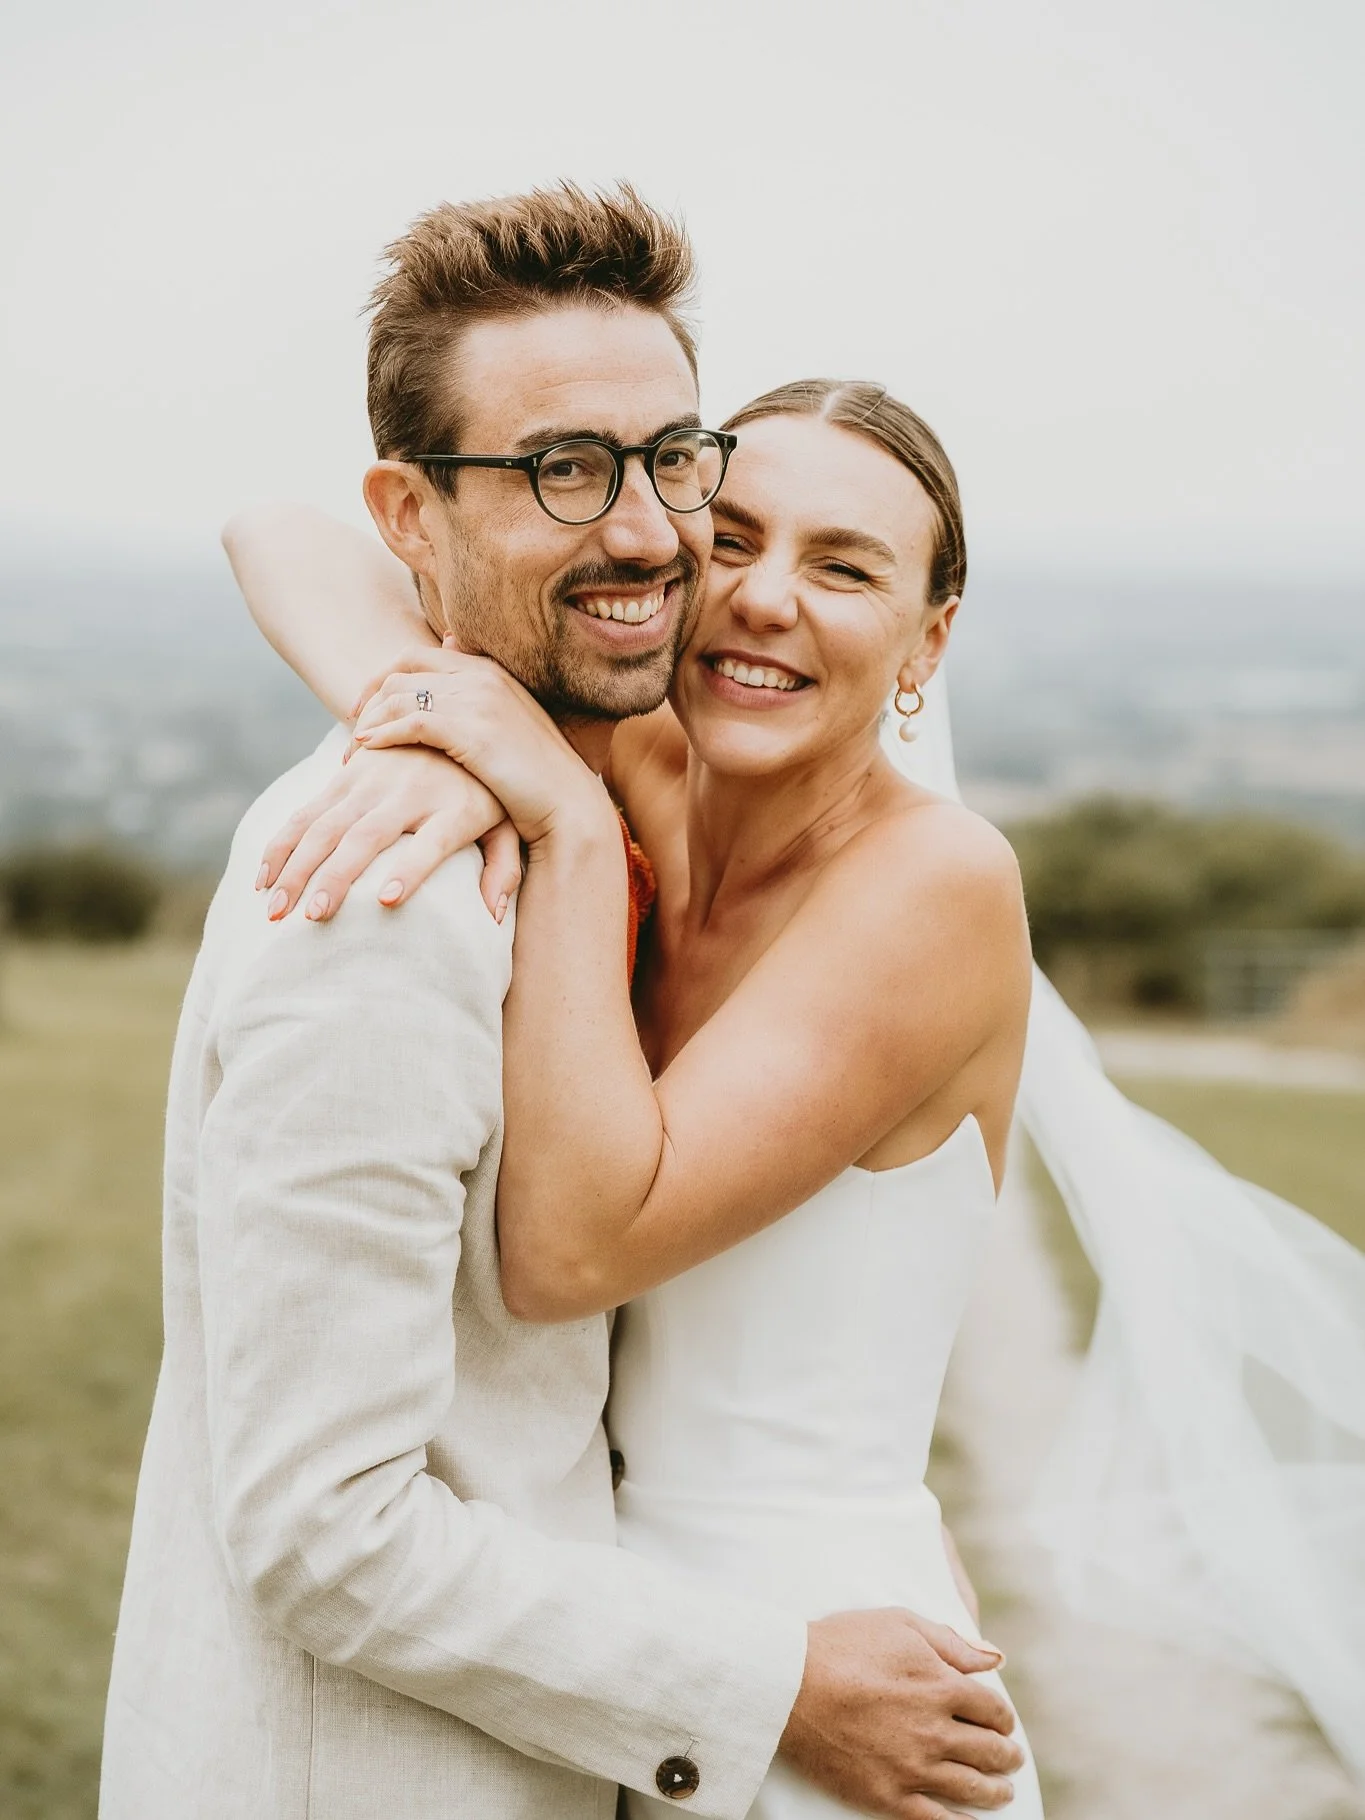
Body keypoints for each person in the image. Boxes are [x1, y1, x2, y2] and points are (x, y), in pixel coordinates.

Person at [100, 186, 1027, 1820]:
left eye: (674, 464)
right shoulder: (389, 887)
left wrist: (547, 790)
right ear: (412, 511)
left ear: (929, 636)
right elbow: (328, 1527)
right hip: (542, 1732)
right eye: (563, 468)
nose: (676, 549)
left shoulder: (656, 806)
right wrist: (515, 766)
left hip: (778, 1680)